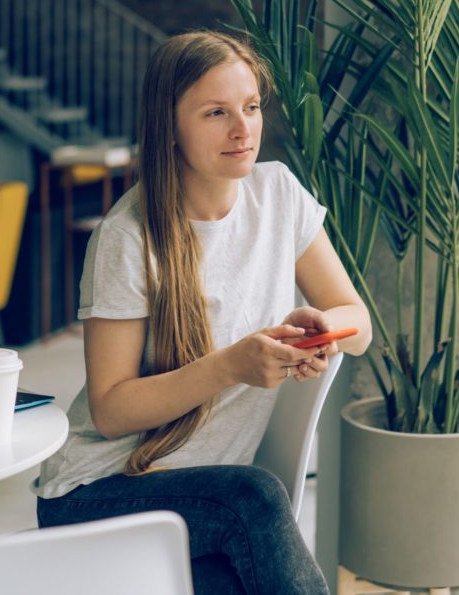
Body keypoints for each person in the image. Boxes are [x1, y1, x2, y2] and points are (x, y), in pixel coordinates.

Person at [36, 30, 373, 594]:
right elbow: (113, 410)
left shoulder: (279, 196)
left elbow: (358, 323)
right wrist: (232, 366)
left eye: (251, 106)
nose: (243, 130)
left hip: (207, 500)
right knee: (256, 496)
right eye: (217, 112)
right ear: (170, 126)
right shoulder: (127, 238)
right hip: (100, 493)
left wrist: (322, 334)